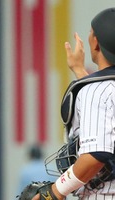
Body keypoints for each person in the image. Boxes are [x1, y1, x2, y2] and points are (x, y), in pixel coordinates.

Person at [32, 7, 115, 200]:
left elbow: (96, 154)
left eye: (91, 33)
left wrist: (53, 192)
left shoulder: (95, 92)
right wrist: (79, 71)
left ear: (96, 44)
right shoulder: (100, 90)